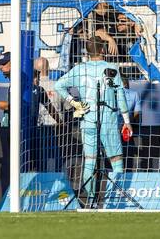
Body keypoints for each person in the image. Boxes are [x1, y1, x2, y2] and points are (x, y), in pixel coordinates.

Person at [53, 37, 132, 204]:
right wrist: (127, 121)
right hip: (108, 119)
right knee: (116, 160)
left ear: (87, 52)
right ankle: (115, 200)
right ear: (103, 50)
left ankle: (90, 200)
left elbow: (58, 85)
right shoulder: (112, 68)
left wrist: (75, 103)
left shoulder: (79, 69)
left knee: (89, 160)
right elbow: (121, 96)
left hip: (87, 119)